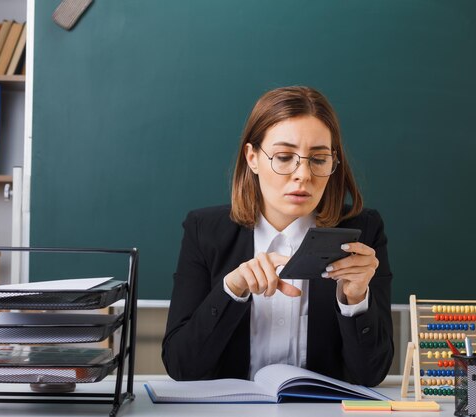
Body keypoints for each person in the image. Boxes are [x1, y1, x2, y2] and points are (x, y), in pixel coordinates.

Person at [162, 86, 393, 387]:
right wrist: (231, 290)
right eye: (284, 157)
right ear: (253, 157)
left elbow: (370, 376)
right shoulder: (204, 230)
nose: (304, 175)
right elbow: (182, 366)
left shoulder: (363, 232)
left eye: (319, 159)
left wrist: (356, 300)